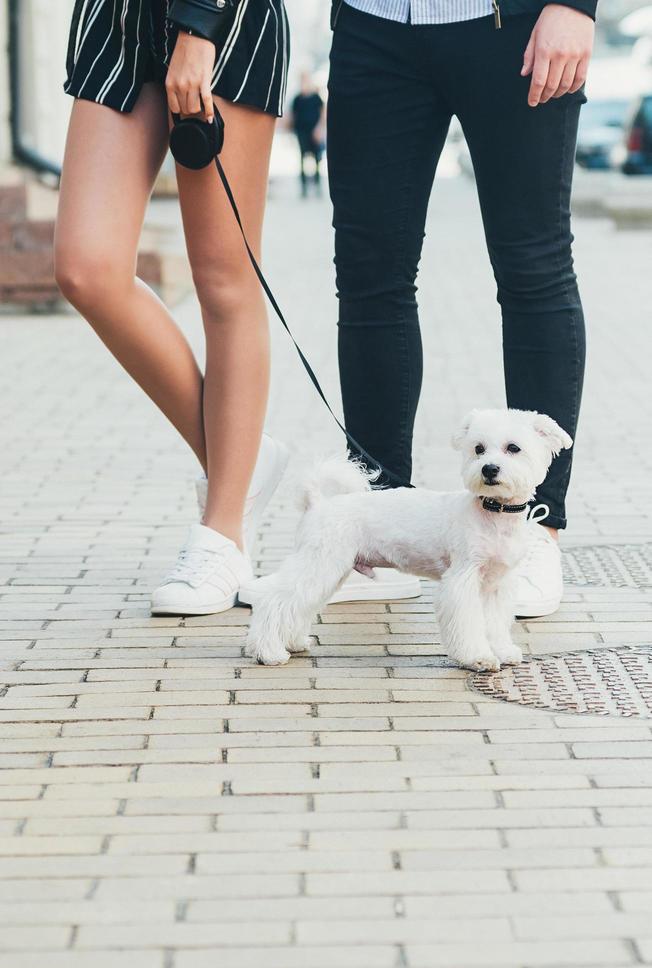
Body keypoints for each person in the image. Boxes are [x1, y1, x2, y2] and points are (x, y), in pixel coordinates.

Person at [326, 0, 595, 616]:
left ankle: (536, 530)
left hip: (514, 25)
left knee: (534, 269)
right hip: (374, 26)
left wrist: (577, 6)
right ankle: (379, 531)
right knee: (370, 276)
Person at [55, 0, 290, 617]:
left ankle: (224, 533)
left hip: (220, 22)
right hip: (116, 20)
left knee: (224, 280)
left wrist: (201, 26)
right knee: (87, 269)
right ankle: (241, 460)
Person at [291, 71, 325, 196]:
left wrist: (319, 129)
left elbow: (322, 114)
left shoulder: (316, 97)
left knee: (317, 159)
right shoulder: (297, 99)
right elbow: (293, 116)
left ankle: (317, 186)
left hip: (314, 131)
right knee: (302, 159)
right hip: (301, 132)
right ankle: (304, 188)